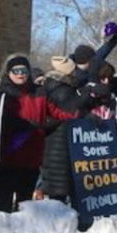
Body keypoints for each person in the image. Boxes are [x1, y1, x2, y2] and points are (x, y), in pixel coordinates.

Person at [0, 54, 79, 212]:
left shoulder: (39, 92)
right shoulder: (3, 94)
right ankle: (0, 232)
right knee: (2, 202)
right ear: (8, 73)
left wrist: (82, 111)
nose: (20, 74)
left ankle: (23, 231)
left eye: (24, 70)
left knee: (25, 203)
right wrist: (22, 126)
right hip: (9, 157)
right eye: (16, 71)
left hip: (32, 157)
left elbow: (57, 112)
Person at [39, 56, 86, 203]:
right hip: (61, 143)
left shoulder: (49, 86)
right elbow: (75, 112)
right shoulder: (64, 91)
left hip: (52, 143)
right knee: (60, 186)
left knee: (56, 185)